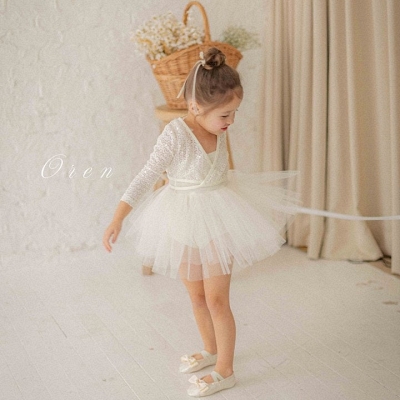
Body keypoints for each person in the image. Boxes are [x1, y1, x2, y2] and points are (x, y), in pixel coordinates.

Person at [103, 47, 300, 397]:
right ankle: (210, 349)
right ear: (195, 107)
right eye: (225, 114)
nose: (231, 121)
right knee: (196, 295)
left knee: (217, 300)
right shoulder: (175, 135)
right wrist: (118, 217)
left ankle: (226, 369)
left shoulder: (218, 126)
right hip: (181, 218)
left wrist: (222, 121)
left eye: (234, 113)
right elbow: (146, 175)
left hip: (217, 218)